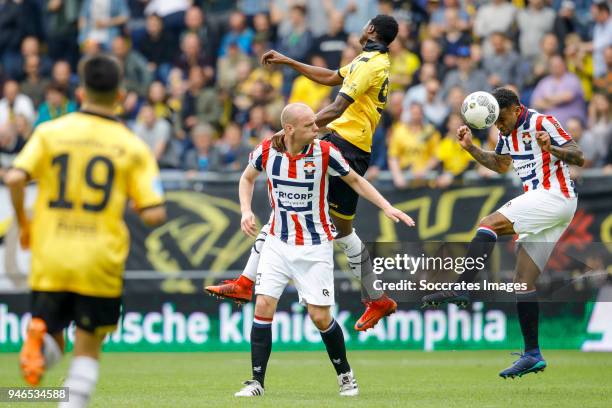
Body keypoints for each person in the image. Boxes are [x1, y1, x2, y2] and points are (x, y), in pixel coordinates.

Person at [207, 15, 400, 331]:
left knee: (290, 205)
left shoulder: (370, 64)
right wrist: (287, 61)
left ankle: (245, 281)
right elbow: (329, 77)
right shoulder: (369, 61)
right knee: (340, 229)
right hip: (352, 146)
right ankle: (376, 297)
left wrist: (295, 133)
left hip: (345, 144)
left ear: (370, 30)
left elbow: (336, 109)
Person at [3, 54, 166, 406]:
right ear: (121, 94)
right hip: (99, 260)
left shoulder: (49, 133)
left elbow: (15, 177)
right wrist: (140, 204)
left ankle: (40, 340)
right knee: (88, 345)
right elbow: (155, 213)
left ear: (81, 91)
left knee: (54, 334)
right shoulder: (132, 145)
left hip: (52, 256)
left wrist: (24, 222)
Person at [233, 103, 414, 397]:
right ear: (290, 129)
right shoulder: (266, 151)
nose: (317, 129)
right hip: (278, 242)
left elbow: (355, 180)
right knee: (264, 305)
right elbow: (246, 178)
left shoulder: (324, 153)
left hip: (315, 245)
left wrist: (387, 206)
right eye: (309, 126)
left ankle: (346, 376)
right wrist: (245, 210)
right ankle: (256, 383)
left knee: (320, 317)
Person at [422, 88, 584, 379]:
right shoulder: (506, 132)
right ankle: (533, 354)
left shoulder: (541, 122)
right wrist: (470, 148)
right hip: (547, 203)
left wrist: (552, 150)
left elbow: (579, 156)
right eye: (494, 123)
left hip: (555, 195)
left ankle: (462, 285)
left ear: (515, 108)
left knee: (488, 223)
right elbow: (500, 165)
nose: (498, 126)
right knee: (522, 282)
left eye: (500, 121)